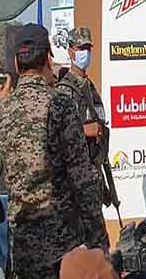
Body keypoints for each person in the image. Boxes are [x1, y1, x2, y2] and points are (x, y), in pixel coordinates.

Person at [0, 24, 108, 279]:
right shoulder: (61, 106)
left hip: (23, 248)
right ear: (49, 59)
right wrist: (98, 240)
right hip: (63, 248)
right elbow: (82, 179)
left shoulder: (3, 112)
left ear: (16, 64)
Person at [56, 28, 109, 208]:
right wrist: (85, 130)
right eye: (80, 48)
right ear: (70, 51)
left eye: (88, 48)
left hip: (94, 171)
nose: (85, 53)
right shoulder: (65, 89)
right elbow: (57, 133)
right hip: (76, 179)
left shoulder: (89, 86)